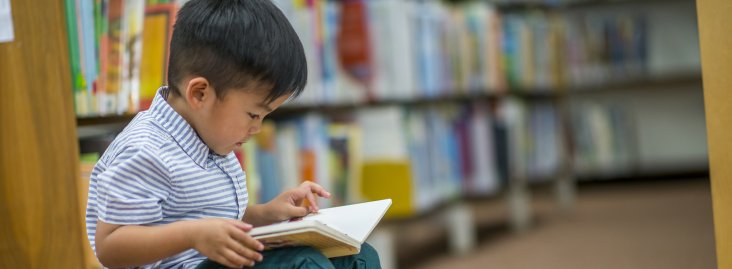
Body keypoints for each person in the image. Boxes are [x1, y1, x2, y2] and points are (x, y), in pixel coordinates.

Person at [85, 0, 380, 268]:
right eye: (254, 114)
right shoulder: (146, 151)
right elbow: (110, 245)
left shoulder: (209, 139)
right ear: (200, 93)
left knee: (358, 255)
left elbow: (211, 216)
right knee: (302, 264)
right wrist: (193, 235)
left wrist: (265, 214)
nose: (257, 127)